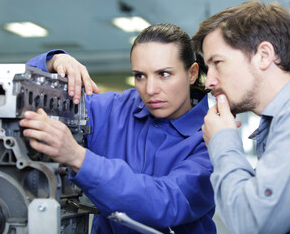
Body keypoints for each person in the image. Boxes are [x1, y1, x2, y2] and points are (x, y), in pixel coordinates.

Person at [21, 23, 216, 233]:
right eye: (140, 76)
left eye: (164, 74)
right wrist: (53, 61)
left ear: (192, 73)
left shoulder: (210, 138)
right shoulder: (113, 109)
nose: (150, 89)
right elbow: (16, 95)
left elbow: (165, 203)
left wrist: (79, 158)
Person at [192, 0, 290, 234]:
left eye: (217, 62)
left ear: (264, 55)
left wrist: (222, 140)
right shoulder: (281, 119)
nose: (210, 82)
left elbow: (251, 222)